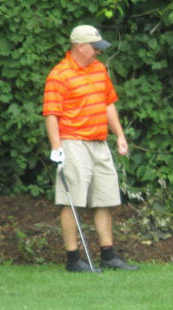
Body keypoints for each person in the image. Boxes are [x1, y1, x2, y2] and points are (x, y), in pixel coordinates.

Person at [43, 25, 138, 272]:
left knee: (104, 198)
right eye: (95, 47)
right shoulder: (59, 74)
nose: (98, 52)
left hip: (99, 141)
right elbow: (51, 114)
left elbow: (108, 104)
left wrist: (119, 134)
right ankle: (73, 259)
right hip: (73, 141)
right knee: (71, 200)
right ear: (80, 46)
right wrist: (57, 148)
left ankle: (108, 255)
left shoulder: (98, 70)